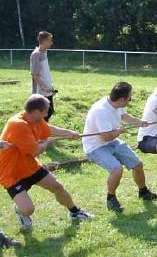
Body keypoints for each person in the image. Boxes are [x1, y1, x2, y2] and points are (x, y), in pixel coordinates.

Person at [0, 95, 92, 231]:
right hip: (11, 173)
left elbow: (50, 129)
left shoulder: (35, 120)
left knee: (57, 187)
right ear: (36, 112)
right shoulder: (18, 125)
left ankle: (75, 212)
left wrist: (69, 133)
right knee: (28, 209)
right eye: (46, 110)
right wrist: (47, 142)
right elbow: (35, 151)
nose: (48, 113)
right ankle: (21, 211)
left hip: (30, 167)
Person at [82, 82, 157, 212]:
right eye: (129, 98)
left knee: (137, 164)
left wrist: (139, 122)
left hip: (111, 141)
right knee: (116, 169)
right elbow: (106, 137)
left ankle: (144, 192)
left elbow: (123, 116)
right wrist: (119, 131)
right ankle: (111, 198)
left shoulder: (116, 104)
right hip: (95, 147)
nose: (130, 100)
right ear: (122, 99)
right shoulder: (101, 111)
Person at [30, 31, 56, 121]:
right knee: (44, 115)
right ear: (44, 41)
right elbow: (34, 75)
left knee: (49, 112)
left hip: (47, 90)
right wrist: (45, 87)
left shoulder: (44, 52)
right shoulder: (36, 54)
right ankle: (39, 133)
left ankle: (43, 133)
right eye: (50, 40)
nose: (51, 43)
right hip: (41, 92)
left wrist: (49, 86)